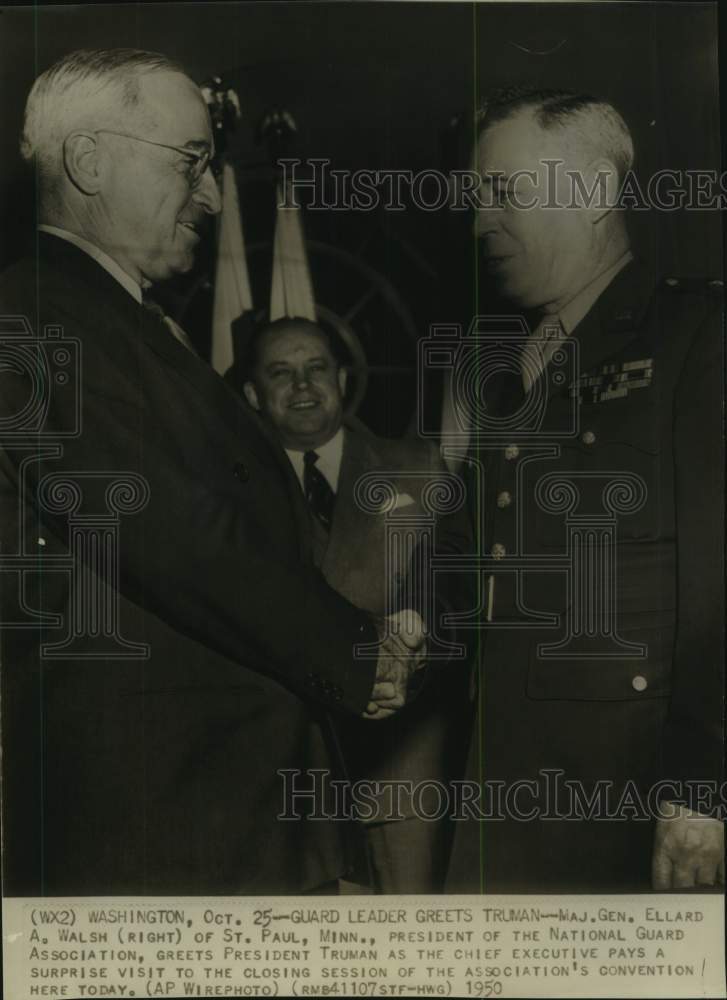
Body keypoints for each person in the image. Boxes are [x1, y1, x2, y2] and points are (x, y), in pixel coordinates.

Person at [0, 48, 424, 896]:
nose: (215, 194)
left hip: (221, 823)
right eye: (191, 163)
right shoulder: (35, 313)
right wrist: (348, 649)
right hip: (165, 837)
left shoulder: (119, 320)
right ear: (88, 161)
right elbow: (171, 531)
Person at [445, 86, 724, 893]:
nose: (478, 223)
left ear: (595, 192)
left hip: (635, 794)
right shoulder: (511, 373)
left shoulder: (696, 337)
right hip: (507, 781)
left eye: (504, 194)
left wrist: (702, 785)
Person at [239, 317, 473, 892]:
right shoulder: (231, 487)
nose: (302, 385)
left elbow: (455, 594)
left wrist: (412, 653)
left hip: (401, 763)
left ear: (342, 378)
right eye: (280, 373)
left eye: (316, 368)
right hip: (282, 777)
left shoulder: (417, 469)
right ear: (251, 394)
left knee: (413, 950)